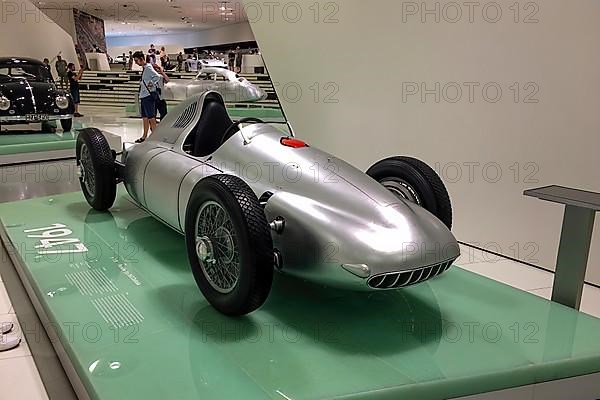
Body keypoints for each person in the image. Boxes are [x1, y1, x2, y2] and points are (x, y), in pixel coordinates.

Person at [133, 51, 161, 143]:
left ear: (141, 59)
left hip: (148, 96)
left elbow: (157, 77)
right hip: (143, 95)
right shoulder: (145, 68)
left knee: (151, 118)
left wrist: (151, 84)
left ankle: (155, 137)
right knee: (145, 117)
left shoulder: (148, 67)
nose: (136, 62)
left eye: (137, 60)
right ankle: (144, 136)